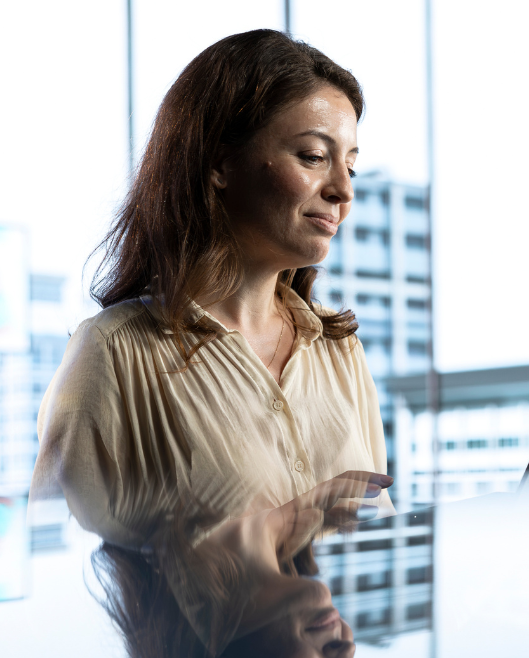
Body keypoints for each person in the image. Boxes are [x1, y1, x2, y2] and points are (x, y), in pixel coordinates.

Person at [28, 28, 394, 656]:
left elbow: (372, 549)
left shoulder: (338, 351)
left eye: (351, 164)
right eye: (313, 156)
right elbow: (55, 585)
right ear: (220, 163)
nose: (344, 189)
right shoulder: (114, 355)